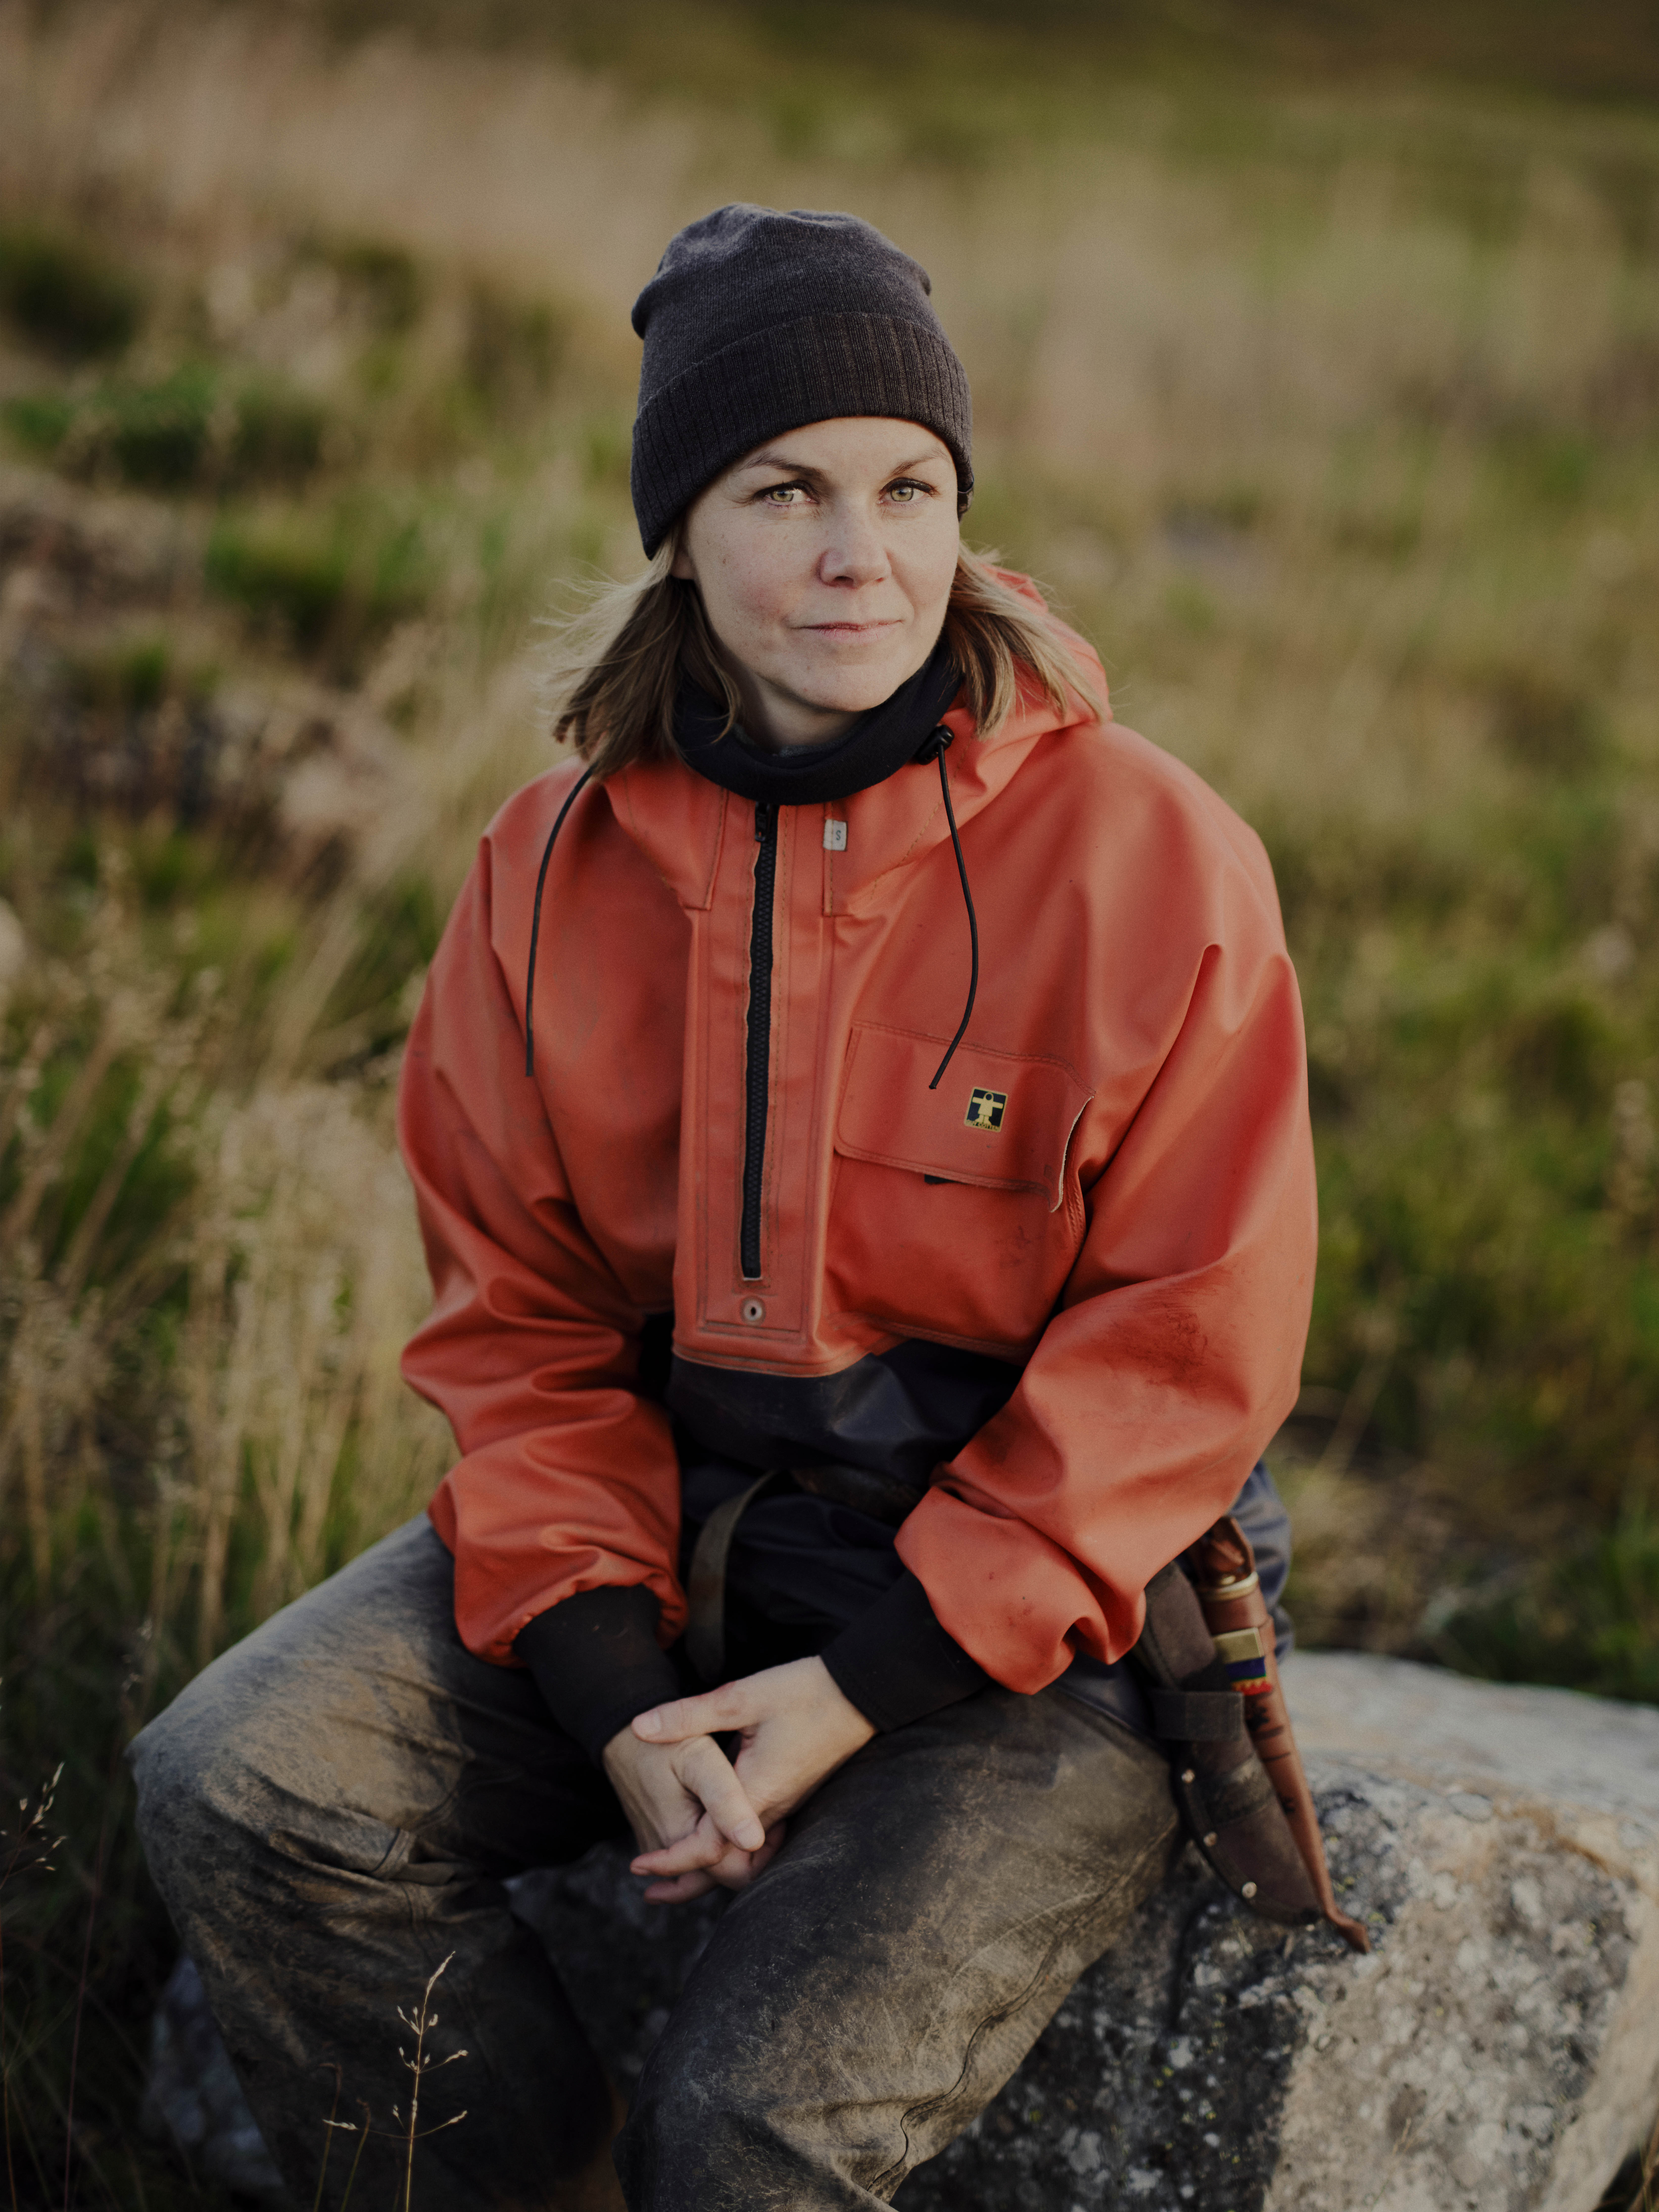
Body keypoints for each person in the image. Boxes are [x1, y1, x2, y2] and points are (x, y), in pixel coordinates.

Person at [131, 204, 1316, 2211]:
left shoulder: (1151, 855)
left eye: (907, 487)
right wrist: (612, 1689)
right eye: (784, 490)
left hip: (1040, 1637)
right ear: (678, 528)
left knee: (749, 2115)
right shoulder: (547, 862)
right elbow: (515, 1324)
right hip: (680, 1546)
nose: (859, 554)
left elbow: (1185, 1354)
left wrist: (863, 1685)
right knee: (238, 1779)